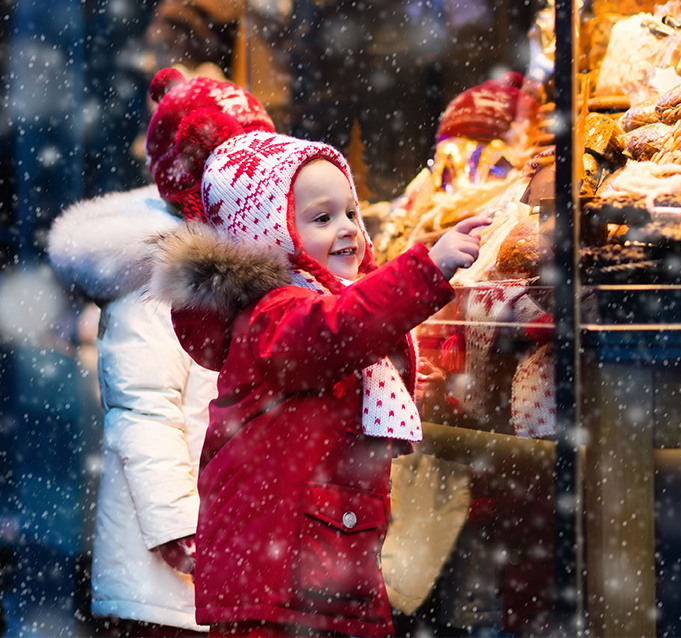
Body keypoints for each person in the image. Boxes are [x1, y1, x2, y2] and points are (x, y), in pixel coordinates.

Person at [144, 67, 487, 637]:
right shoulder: (275, 316)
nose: (349, 228)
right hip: (281, 583)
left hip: (321, 565)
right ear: (271, 235)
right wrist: (427, 268)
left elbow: (356, 341)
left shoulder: (318, 308)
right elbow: (341, 330)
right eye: (321, 218)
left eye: (351, 211)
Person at [46, 73, 277, 637]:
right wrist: (177, 525)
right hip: (172, 558)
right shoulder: (159, 278)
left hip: (224, 533)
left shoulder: (234, 263)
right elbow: (143, 412)